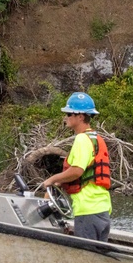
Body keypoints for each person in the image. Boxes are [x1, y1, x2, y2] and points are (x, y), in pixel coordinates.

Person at [41, 92, 112, 242]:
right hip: (102, 210)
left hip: (88, 211)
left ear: (80, 116)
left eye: (69, 113)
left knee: (87, 258)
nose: (65, 117)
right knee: (96, 259)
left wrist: (52, 179)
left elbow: (77, 171)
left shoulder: (81, 139)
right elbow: (84, 172)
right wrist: (59, 183)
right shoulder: (96, 138)